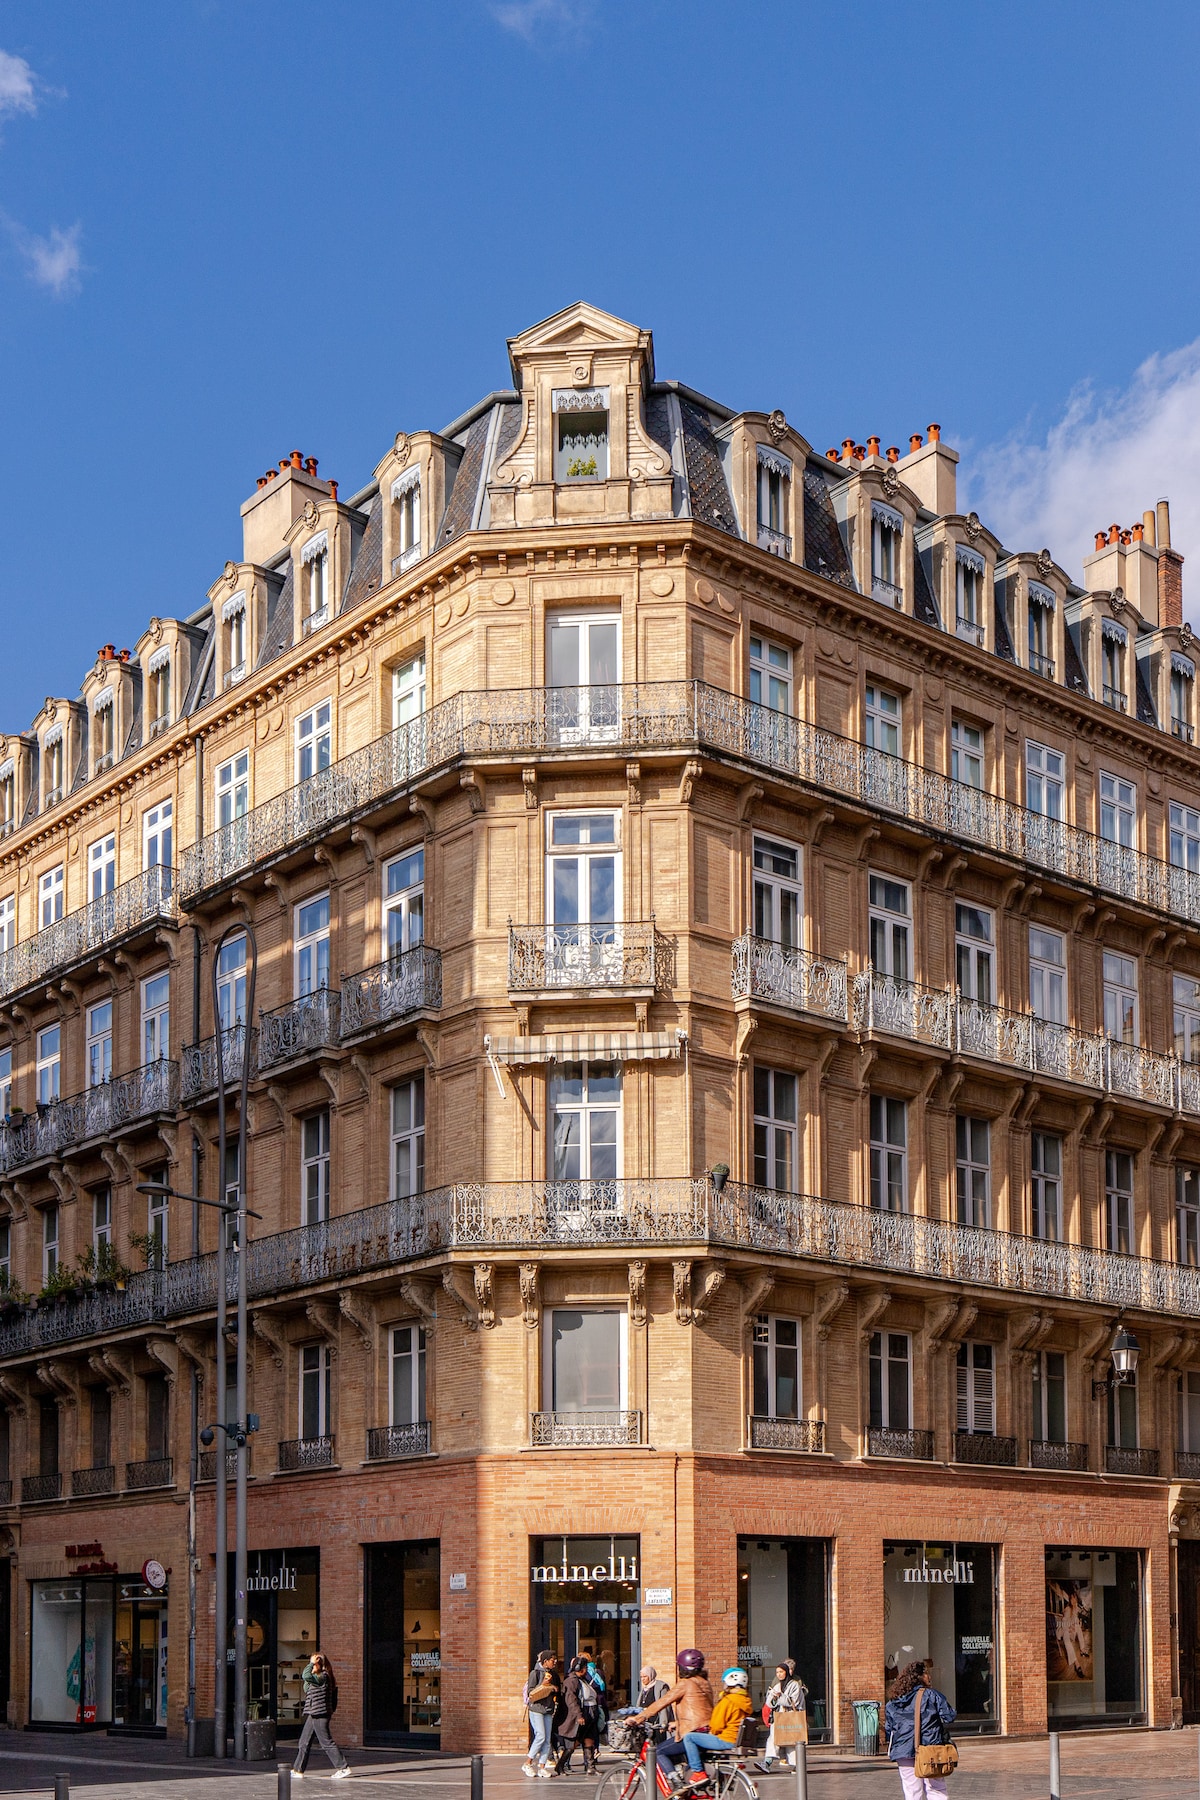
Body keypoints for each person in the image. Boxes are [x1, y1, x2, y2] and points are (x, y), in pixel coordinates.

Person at [631, 1647, 714, 1784]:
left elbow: (662, 1702)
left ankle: (676, 1783)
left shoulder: (685, 1683)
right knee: (689, 1768)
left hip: (691, 1732)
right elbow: (702, 1708)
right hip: (706, 1731)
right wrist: (677, 1723)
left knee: (658, 1752)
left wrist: (638, 1718)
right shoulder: (705, 1683)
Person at [884, 1661, 956, 1800]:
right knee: (936, 1788)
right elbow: (949, 1716)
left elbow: (889, 1727)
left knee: (911, 1791)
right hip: (930, 1747)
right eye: (926, 1673)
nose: (929, 1677)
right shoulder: (931, 1695)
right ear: (920, 1677)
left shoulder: (894, 1701)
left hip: (903, 1750)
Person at [678, 1667, 754, 1785]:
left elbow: (716, 1725)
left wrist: (712, 1731)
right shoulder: (745, 1700)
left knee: (689, 1737)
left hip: (726, 1739)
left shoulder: (728, 1701)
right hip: (736, 1739)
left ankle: (698, 1772)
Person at [292, 1652, 351, 1779]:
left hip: (320, 1714)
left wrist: (311, 1664)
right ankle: (298, 1770)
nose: (311, 1667)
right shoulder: (317, 1678)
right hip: (314, 1713)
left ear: (320, 1664)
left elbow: (305, 1675)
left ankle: (343, 1767)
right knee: (303, 1742)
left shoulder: (323, 1677)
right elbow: (306, 1687)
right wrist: (311, 1671)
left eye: (313, 1665)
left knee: (326, 1742)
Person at [556, 1655, 601, 1776]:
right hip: (582, 1713)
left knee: (589, 1739)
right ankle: (560, 1765)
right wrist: (579, 1715)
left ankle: (590, 1766)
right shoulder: (571, 1681)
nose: (586, 1670)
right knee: (573, 1743)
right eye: (585, 1667)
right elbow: (571, 1700)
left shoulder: (583, 1680)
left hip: (591, 1712)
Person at [759, 1660, 806, 1771]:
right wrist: (773, 1697)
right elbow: (769, 1703)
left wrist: (780, 1697)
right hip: (779, 1717)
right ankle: (767, 1762)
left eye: (781, 1672)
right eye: (777, 1672)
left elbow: (794, 1702)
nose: (779, 1674)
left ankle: (797, 1766)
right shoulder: (776, 1686)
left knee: (792, 1741)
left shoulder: (794, 1685)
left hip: (791, 1716)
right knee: (773, 1738)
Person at [524, 1651, 562, 1779]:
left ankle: (542, 1767)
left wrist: (554, 1688)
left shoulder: (552, 1674)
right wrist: (544, 1685)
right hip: (536, 1708)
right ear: (545, 1661)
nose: (555, 1662)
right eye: (552, 1660)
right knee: (540, 1735)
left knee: (546, 1740)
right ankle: (528, 1763)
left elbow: (557, 1689)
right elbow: (531, 1692)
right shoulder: (535, 1673)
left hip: (548, 1708)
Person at [636, 1666, 672, 1743]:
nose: (643, 1679)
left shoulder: (661, 1687)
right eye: (641, 1677)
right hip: (645, 1724)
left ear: (651, 1675)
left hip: (657, 1723)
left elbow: (664, 1706)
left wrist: (663, 1723)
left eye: (645, 1676)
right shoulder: (644, 1689)